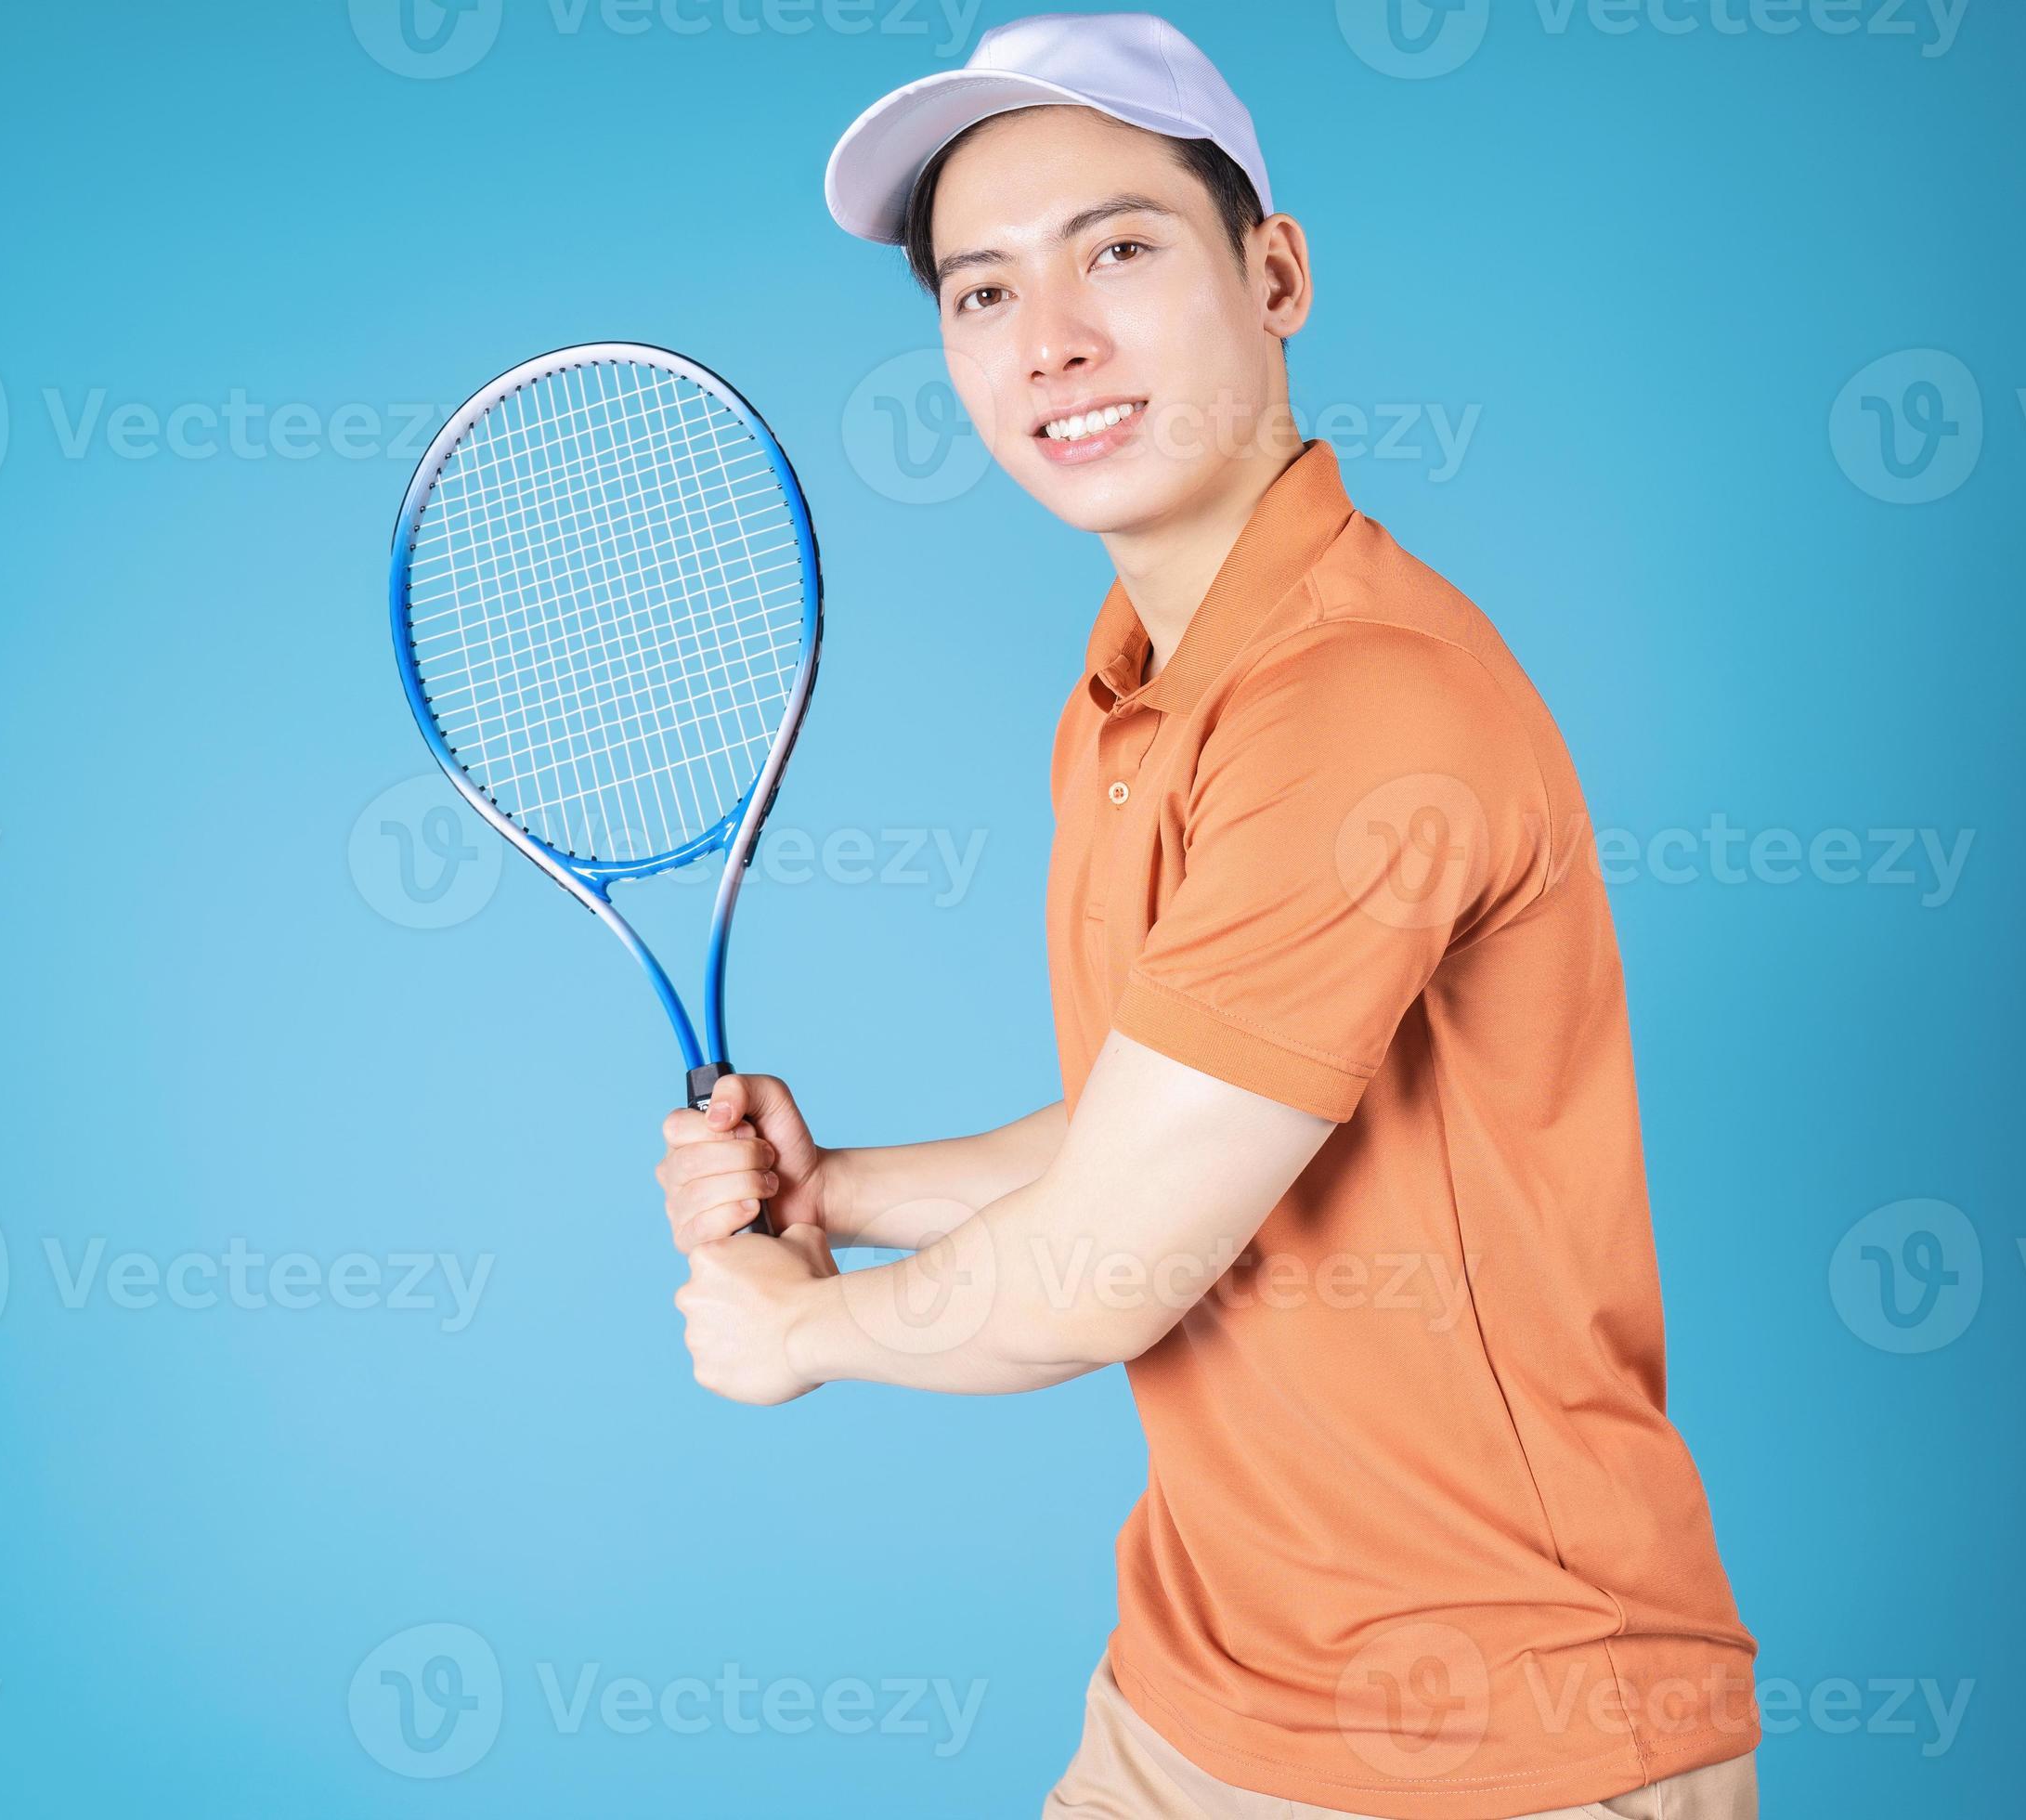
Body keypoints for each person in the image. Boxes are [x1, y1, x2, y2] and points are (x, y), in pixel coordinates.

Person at [656, 15, 1761, 1817]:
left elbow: (1108, 1261)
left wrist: (799, 1329)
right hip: (1199, 1693)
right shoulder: (1142, 688)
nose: (1054, 340)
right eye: (982, 292)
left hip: (1502, 1736)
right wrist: (833, 1187)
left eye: (1119, 248)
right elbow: (1151, 1136)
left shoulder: (1364, 706)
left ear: (1276, 272)